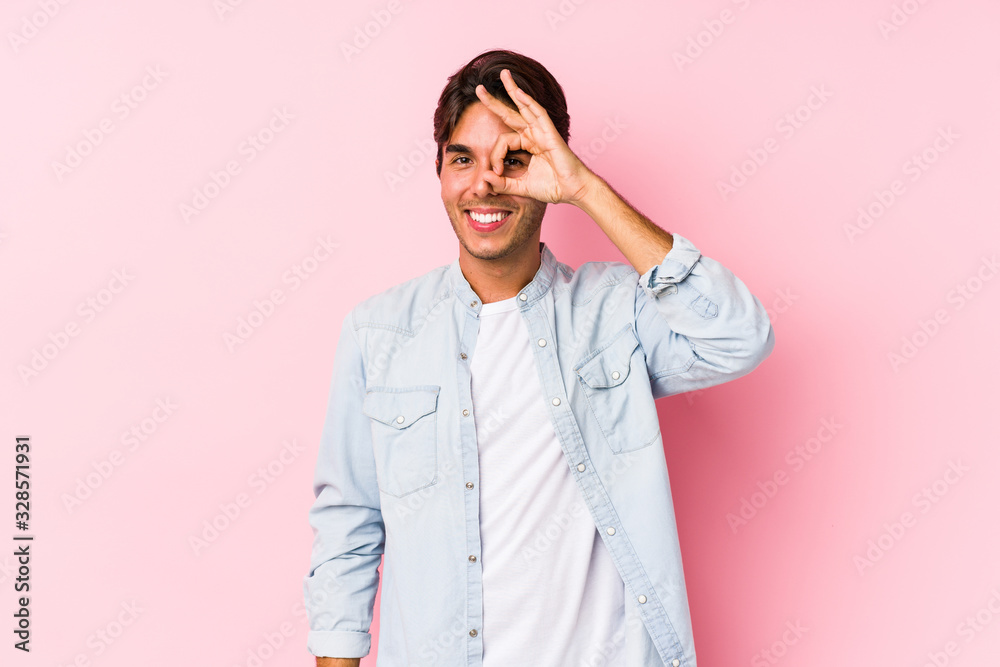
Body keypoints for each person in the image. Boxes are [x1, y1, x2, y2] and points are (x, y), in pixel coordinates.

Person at [303, 49, 775, 667]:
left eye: (513, 160)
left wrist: (585, 189)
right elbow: (349, 523)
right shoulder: (380, 333)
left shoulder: (614, 313)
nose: (484, 184)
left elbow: (739, 337)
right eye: (462, 159)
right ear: (439, 170)